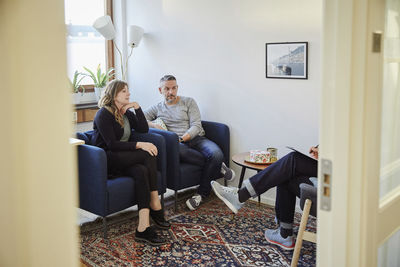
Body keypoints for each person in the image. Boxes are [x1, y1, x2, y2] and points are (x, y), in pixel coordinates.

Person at [91, 79, 170, 246]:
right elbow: (111, 144)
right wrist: (140, 144)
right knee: (147, 154)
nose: (128, 93)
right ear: (114, 95)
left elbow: (143, 128)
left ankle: (143, 227)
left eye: (128, 90)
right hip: (107, 159)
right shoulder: (103, 114)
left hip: (124, 158)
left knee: (141, 171)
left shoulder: (125, 112)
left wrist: (137, 107)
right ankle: (155, 203)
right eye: (124, 91)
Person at [144, 75, 235, 211]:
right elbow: (139, 120)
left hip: (196, 138)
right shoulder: (157, 108)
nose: (171, 92)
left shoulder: (188, 102)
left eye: (174, 88)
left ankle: (215, 164)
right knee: (177, 149)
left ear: (177, 88)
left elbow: (196, 125)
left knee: (216, 154)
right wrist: (155, 126)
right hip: (178, 146)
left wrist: (183, 138)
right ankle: (204, 190)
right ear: (160, 90)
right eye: (167, 89)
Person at [211, 146, 319, 250]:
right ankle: (285, 233)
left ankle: (240, 196)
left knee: (293, 159)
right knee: (286, 172)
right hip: (327, 176)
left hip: (331, 187)